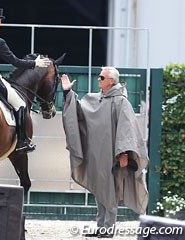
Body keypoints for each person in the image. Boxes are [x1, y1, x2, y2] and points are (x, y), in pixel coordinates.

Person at [61, 67, 149, 238]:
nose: (98, 79)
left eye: (102, 77)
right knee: (99, 189)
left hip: (112, 154)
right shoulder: (94, 99)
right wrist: (68, 93)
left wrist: (123, 153)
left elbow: (127, 128)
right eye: (99, 76)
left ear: (112, 81)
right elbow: (78, 112)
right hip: (95, 154)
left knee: (111, 189)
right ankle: (101, 227)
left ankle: (108, 228)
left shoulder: (120, 101)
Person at [0, 7, 51, 153]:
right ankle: (22, 142)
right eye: (0, 21)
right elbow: (15, 62)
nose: (0, 24)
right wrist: (35, 64)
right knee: (20, 104)